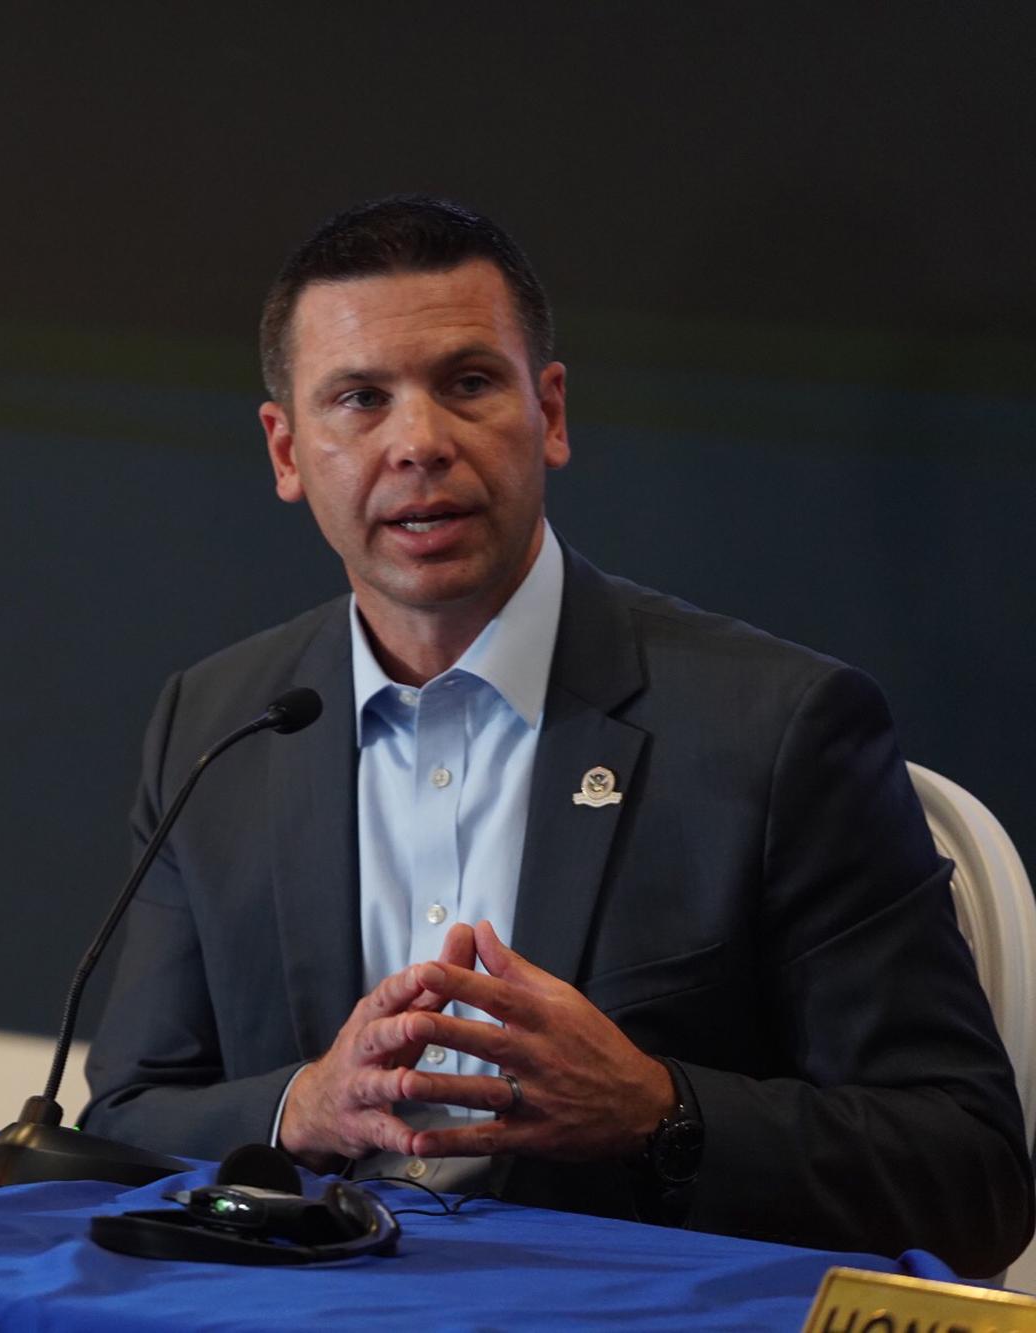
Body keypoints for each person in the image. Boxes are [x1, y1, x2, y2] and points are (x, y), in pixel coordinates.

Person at [82, 195, 1032, 1275]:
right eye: (358, 398)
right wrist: (301, 1106)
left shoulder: (775, 730)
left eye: (468, 383)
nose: (418, 443)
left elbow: (971, 1177)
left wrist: (656, 1110)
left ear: (551, 412)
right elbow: (122, 1117)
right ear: (286, 448)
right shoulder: (215, 723)